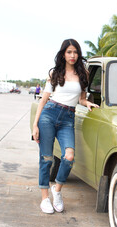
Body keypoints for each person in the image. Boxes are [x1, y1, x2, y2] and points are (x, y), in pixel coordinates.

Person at [32, 39, 98, 214]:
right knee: (46, 158)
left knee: (69, 157)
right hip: (49, 114)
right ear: (63, 53)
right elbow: (43, 100)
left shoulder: (83, 73)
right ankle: (44, 197)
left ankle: (57, 191)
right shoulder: (55, 73)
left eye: (75, 52)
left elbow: (81, 98)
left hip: (68, 117)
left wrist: (88, 104)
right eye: (69, 52)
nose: (72, 55)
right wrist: (35, 125)